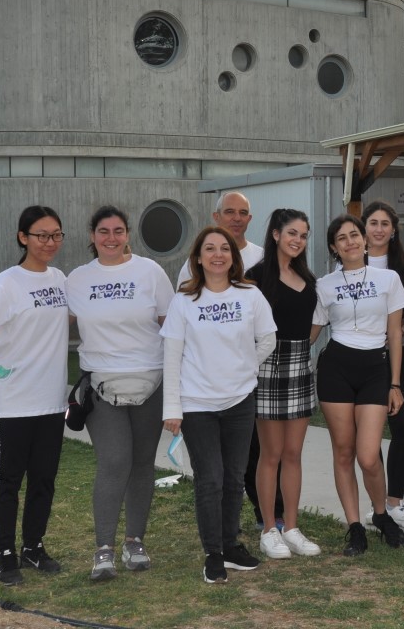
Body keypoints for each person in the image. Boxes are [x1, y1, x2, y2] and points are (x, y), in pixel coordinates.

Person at [161, 226, 277, 584]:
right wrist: (172, 408)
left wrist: (244, 368)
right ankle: (213, 553)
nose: (217, 255)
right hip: (197, 405)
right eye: (209, 249)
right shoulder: (184, 301)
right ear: (198, 258)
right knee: (210, 479)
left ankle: (230, 546)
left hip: (240, 402)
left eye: (224, 249)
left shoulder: (250, 295)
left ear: (233, 256)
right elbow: (172, 356)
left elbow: (267, 340)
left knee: (233, 478)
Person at [66, 205, 174, 581]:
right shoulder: (77, 279)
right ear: (92, 236)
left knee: (143, 463)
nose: (110, 238)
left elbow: (172, 328)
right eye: (103, 231)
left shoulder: (151, 272)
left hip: (151, 382)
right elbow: (51, 326)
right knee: (114, 462)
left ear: (128, 234)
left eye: (117, 231)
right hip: (100, 384)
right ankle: (103, 550)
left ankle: (134, 541)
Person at [0, 206, 70, 586]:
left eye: (56, 235)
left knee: (44, 479)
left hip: (51, 401)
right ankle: (5, 553)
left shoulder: (60, 279)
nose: (50, 242)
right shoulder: (7, 283)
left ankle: (33, 546)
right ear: (23, 237)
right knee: (9, 480)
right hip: (13, 401)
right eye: (41, 235)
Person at [175, 191, 276, 530]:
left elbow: (267, 332)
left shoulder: (263, 260)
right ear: (216, 216)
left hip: (244, 387)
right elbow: (179, 337)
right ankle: (216, 541)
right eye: (229, 212)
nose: (236, 218)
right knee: (213, 473)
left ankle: (262, 520)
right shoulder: (189, 277)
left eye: (243, 212)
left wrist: (245, 365)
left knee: (247, 461)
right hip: (201, 394)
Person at [312, 214, 404, 555]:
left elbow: (395, 333)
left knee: (368, 456)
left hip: (375, 370)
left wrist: (395, 384)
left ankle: (381, 515)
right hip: (336, 369)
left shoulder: (389, 279)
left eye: (354, 234)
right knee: (343, 451)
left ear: (365, 240)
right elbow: (310, 333)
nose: (350, 241)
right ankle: (355, 527)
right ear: (334, 248)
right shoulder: (324, 285)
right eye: (342, 238)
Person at [244, 209, 322, 559]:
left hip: (300, 366)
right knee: (270, 454)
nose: (298, 240)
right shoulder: (255, 277)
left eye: (303, 235)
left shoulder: (306, 276)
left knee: (293, 454)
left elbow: (313, 322)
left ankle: (291, 527)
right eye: (292, 233)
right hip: (267, 369)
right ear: (275, 234)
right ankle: (268, 530)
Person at [361, 201, 404, 529]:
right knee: (369, 435)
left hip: (399, 357)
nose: (378, 229)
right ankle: (377, 505)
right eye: (373, 223)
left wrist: (397, 332)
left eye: (385, 223)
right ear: (363, 228)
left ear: (393, 230)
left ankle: (395, 502)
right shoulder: (350, 263)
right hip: (364, 360)